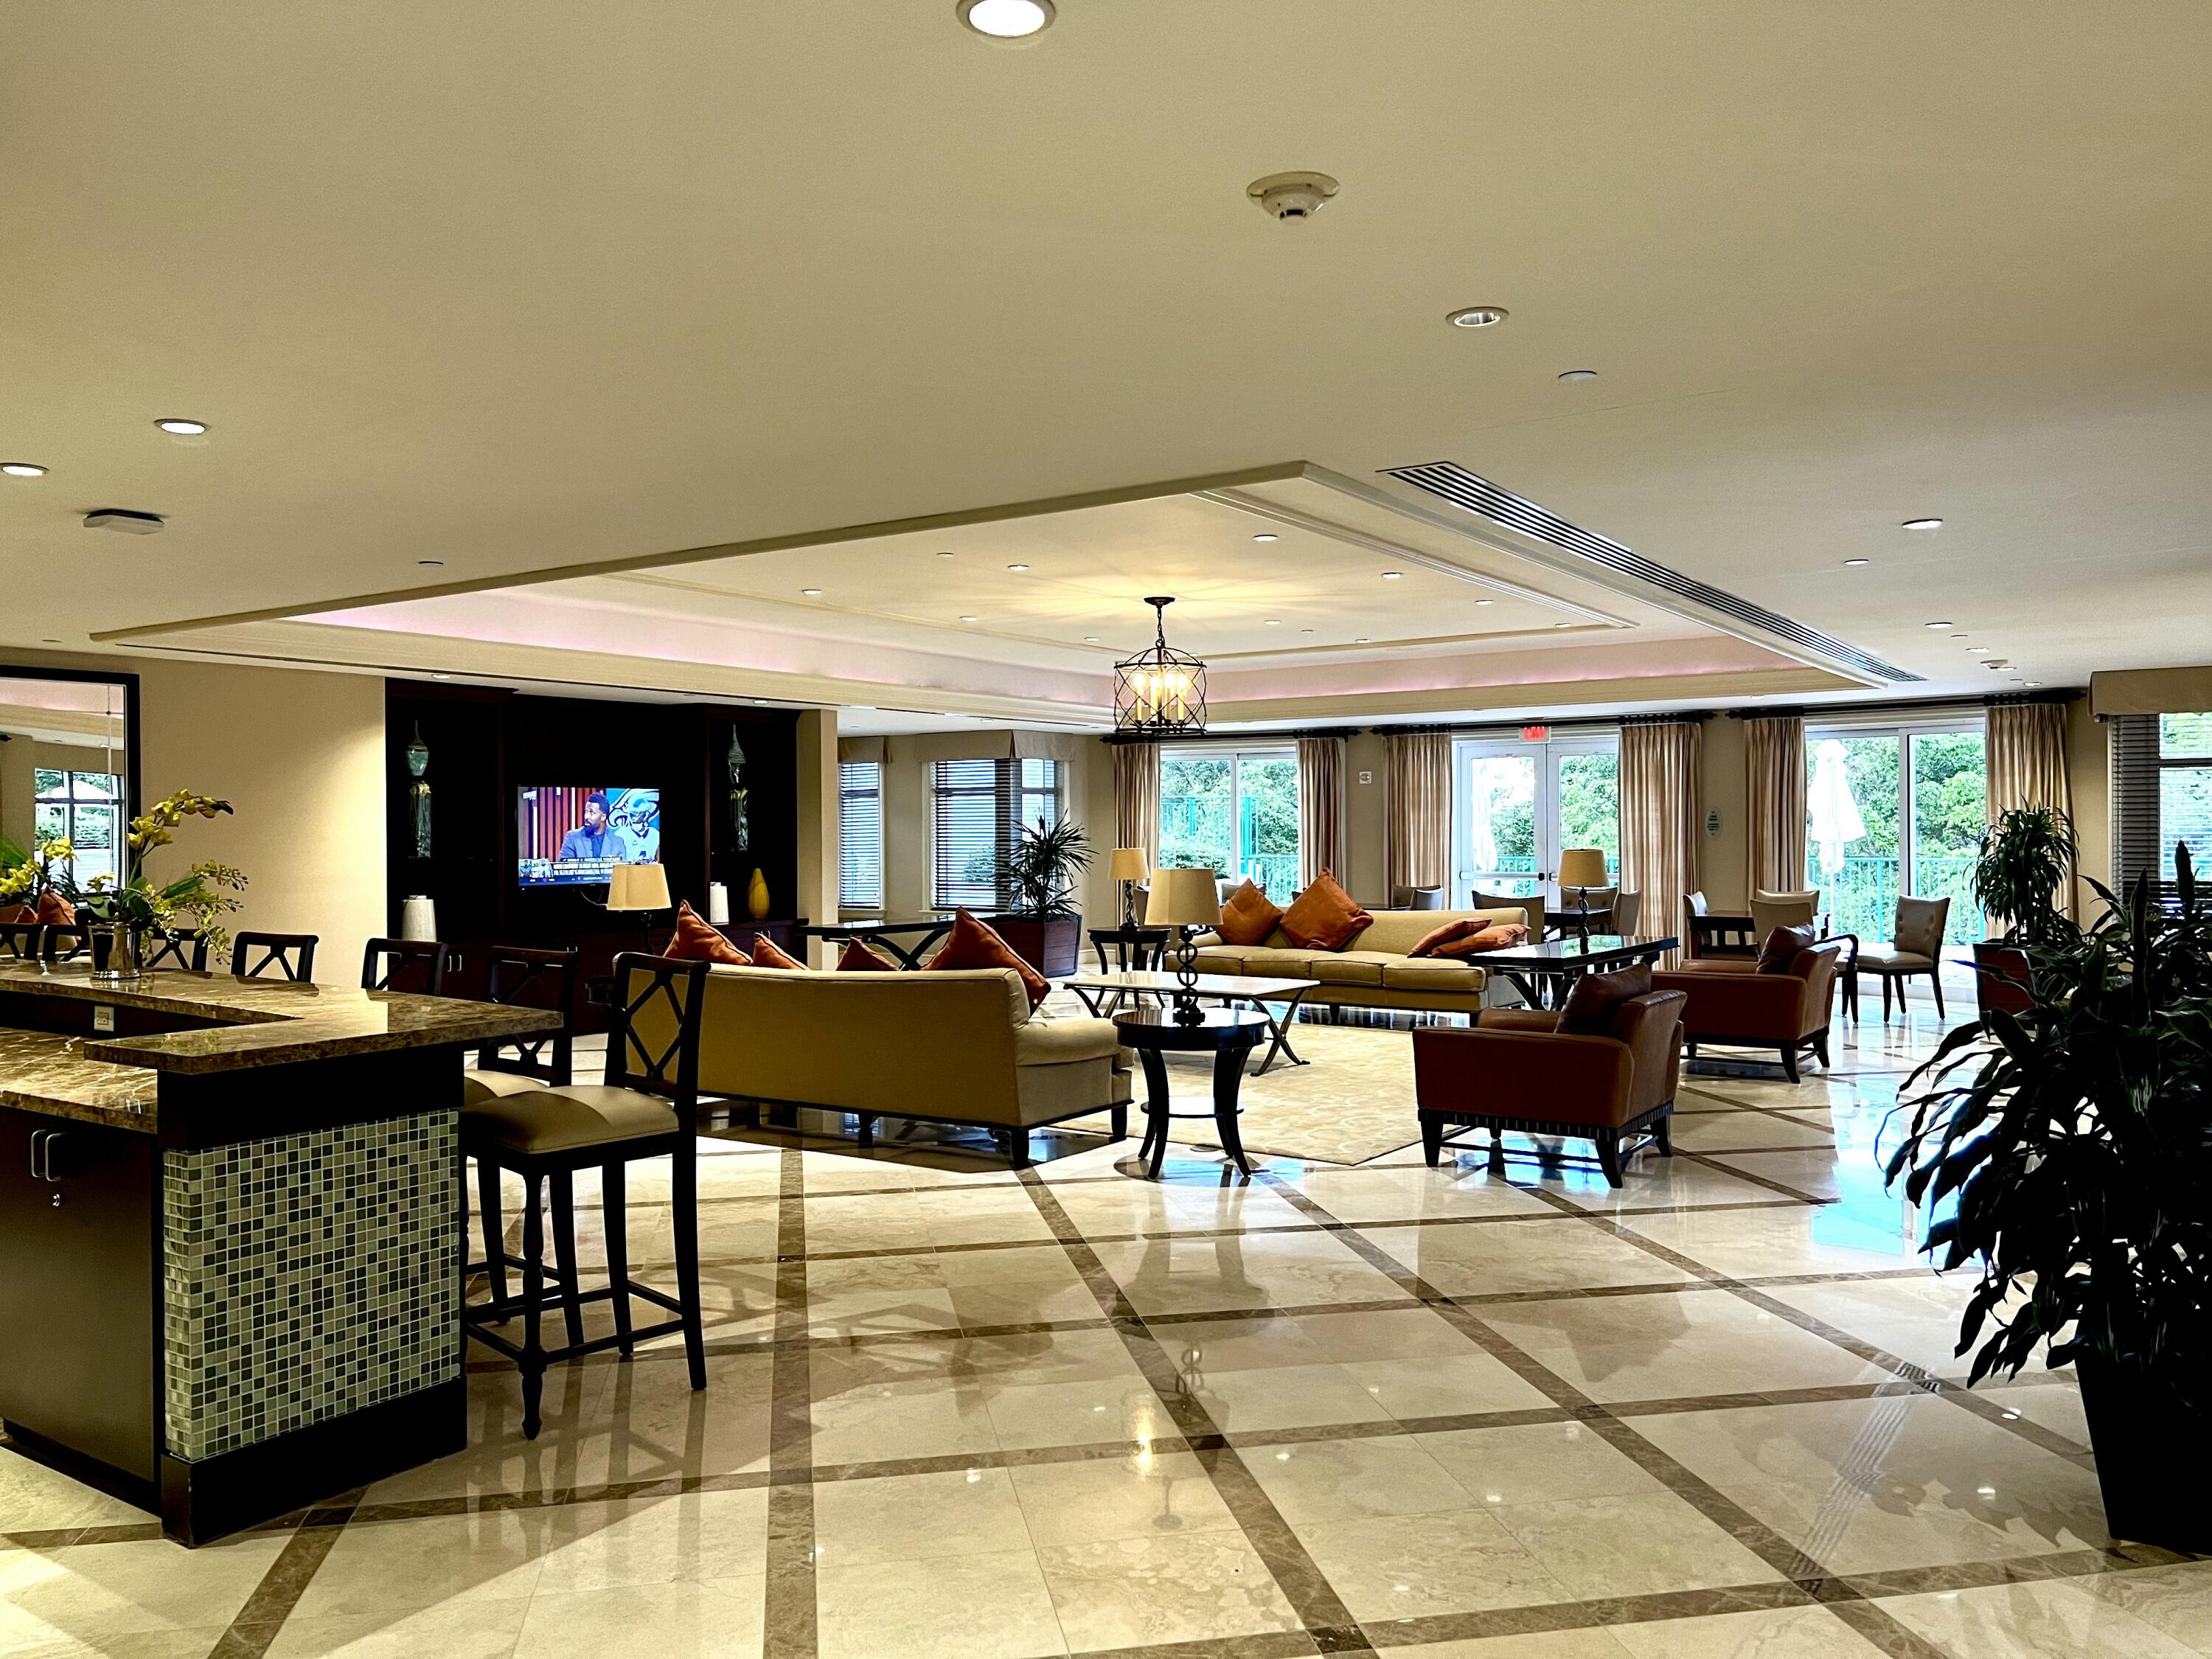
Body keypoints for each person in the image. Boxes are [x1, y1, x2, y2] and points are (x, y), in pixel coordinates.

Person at [557, 793, 613, 861]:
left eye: (591, 813)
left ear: (603, 817)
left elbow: (621, 867)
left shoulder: (617, 842)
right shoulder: (572, 838)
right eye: (586, 812)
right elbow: (563, 866)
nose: (586, 817)